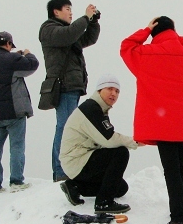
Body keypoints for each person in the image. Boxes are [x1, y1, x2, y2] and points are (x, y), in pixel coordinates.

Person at [120, 16, 183, 224]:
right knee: (182, 166)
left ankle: (178, 218)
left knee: (171, 170)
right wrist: (174, 34)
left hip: (164, 122)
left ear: (155, 31)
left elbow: (127, 46)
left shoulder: (146, 55)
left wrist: (146, 30)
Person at [59, 74, 142, 214]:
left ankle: (75, 187)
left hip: (82, 161)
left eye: (117, 91)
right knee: (120, 152)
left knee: (121, 188)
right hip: (77, 161)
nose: (114, 94)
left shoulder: (99, 109)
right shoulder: (91, 108)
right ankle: (104, 203)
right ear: (99, 90)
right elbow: (110, 140)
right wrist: (136, 141)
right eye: (109, 89)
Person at [39, 0, 101, 182]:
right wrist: (85, 17)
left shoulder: (66, 32)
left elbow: (88, 38)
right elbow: (69, 34)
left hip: (72, 86)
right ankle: (60, 170)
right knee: (65, 127)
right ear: (56, 12)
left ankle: (63, 169)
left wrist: (93, 22)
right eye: (67, 9)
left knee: (68, 127)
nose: (70, 12)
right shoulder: (49, 29)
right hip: (63, 85)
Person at [0, 31, 40, 194]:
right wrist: (28, 54)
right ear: (8, 44)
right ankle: (16, 180)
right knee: (17, 146)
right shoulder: (12, 59)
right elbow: (32, 65)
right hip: (14, 110)